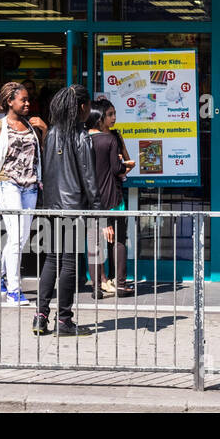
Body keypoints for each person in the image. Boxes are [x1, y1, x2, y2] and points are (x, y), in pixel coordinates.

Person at [0, 82, 47, 306]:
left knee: (21, 239)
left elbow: (42, 152)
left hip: (30, 185)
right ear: (9, 101)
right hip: (7, 184)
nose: (27, 103)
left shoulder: (30, 125)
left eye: (27, 99)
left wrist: (45, 128)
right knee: (14, 238)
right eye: (22, 99)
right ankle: (14, 289)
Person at [33, 84, 100, 337]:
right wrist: (97, 210)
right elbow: (89, 178)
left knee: (52, 259)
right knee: (70, 262)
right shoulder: (81, 136)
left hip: (51, 205)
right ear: (82, 107)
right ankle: (64, 320)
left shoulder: (51, 134)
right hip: (72, 208)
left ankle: (40, 316)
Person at [87, 97, 133, 297]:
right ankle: (120, 284)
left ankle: (97, 286)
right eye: (110, 114)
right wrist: (127, 166)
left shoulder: (84, 139)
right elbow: (118, 168)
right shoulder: (110, 140)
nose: (114, 118)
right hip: (112, 197)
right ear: (99, 117)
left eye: (114, 114)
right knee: (119, 240)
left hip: (91, 198)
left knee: (94, 242)